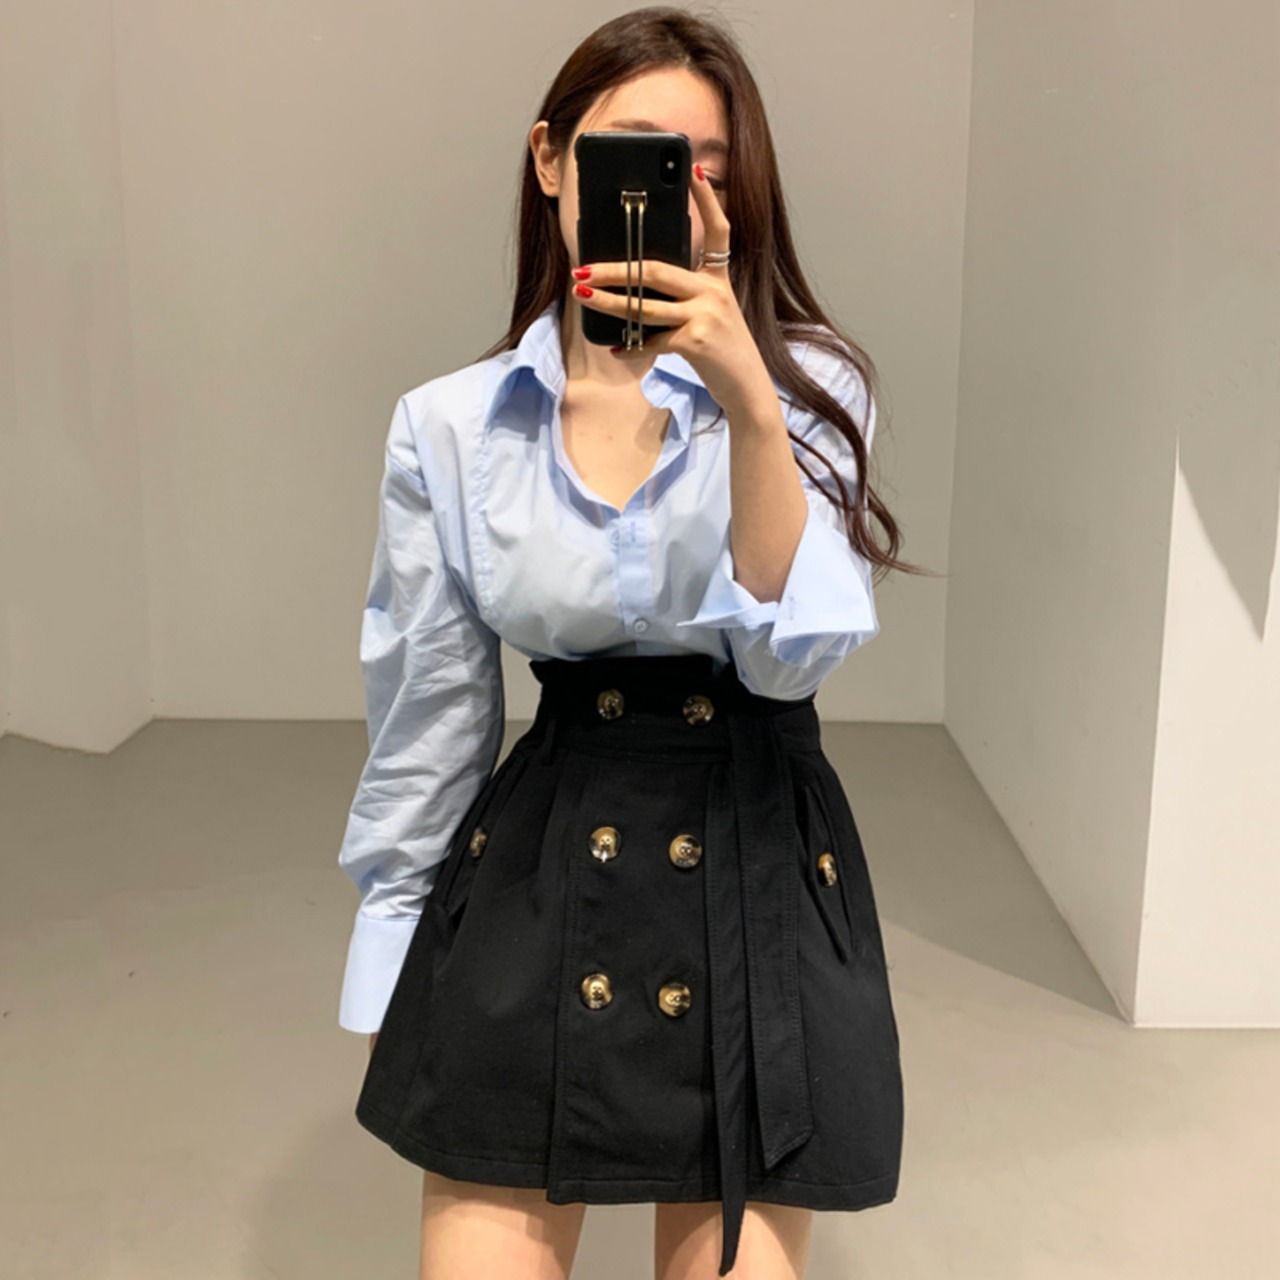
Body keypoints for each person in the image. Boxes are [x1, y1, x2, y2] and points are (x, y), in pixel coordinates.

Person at [337, 7, 927, 1278]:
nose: (676, 189)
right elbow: (429, 712)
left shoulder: (809, 388)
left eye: (707, 164)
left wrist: (748, 406)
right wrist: (393, 953)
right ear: (553, 160)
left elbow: (785, 663)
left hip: (752, 854)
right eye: (638, 154)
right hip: (540, 865)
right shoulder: (449, 425)